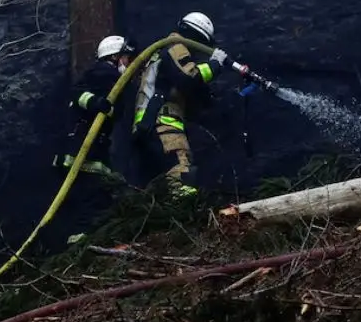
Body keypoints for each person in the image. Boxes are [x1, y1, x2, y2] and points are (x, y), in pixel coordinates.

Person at [130, 12, 235, 198]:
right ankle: (186, 216)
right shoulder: (175, 46)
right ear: (197, 37)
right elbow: (188, 77)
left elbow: (185, 89)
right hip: (163, 123)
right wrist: (215, 65)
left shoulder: (161, 51)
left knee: (156, 184)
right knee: (180, 171)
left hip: (149, 124)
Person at [53, 35, 136, 180]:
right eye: (127, 58)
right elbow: (76, 93)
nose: (130, 63)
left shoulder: (107, 77)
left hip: (90, 152)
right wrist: (95, 102)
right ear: (115, 57)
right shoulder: (103, 73)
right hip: (80, 153)